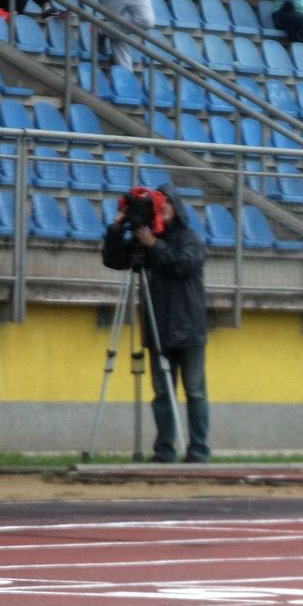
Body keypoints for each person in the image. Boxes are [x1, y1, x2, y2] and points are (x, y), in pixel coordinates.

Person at [102, 183, 211, 464]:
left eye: (167, 203)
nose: (163, 208)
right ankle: (164, 449)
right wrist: (116, 229)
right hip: (158, 326)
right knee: (162, 392)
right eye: (160, 204)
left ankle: (198, 449)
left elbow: (184, 265)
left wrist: (155, 245)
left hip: (188, 327)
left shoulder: (190, 238)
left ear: (177, 206)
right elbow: (115, 260)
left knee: (195, 391)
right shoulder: (145, 238)